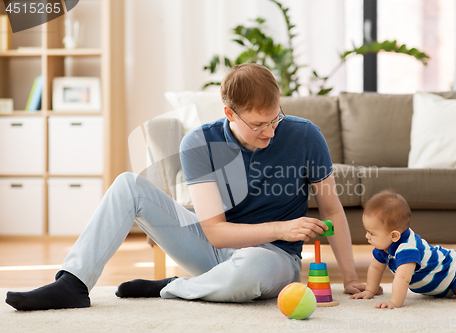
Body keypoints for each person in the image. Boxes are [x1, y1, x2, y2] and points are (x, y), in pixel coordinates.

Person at [6, 63, 366, 311]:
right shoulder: (199, 143)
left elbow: (332, 209)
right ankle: (72, 282)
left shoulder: (305, 135)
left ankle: (168, 287)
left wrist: (350, 279)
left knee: (250, 269)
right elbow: (215, 233)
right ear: (229, 113)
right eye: (258, 125)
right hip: (213, 250)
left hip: (273, 258)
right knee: (128, 185)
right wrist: (285, 227)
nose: (270, 132)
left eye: (275, 119)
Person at [351, 189, 456, 309]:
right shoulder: (384, 246)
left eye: (372, 233)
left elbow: (403, 278)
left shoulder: (408, 249)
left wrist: (394, 302)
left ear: (394, 235)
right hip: (437, 284)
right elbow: (376, 268)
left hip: (452, 272)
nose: (366, 236)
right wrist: (370, 290)